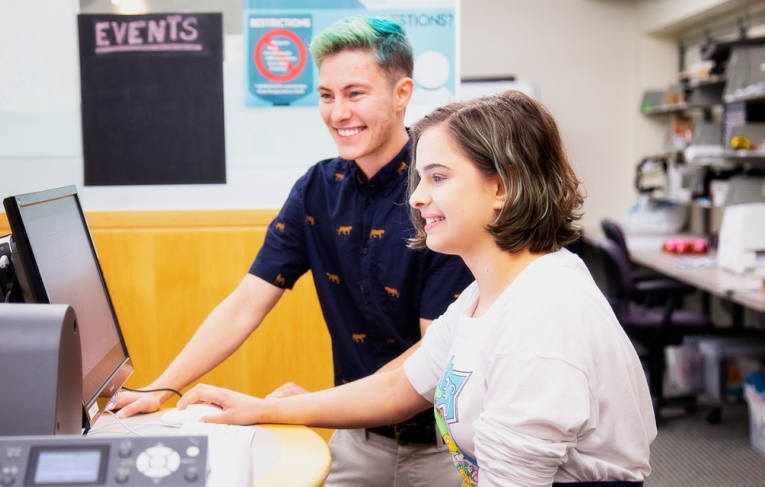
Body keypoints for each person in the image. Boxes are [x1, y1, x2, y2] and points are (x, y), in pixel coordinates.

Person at [180, 91, 658, 487]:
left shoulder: (543, 314)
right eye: (418, 177)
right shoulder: (483, 296)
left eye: (438, 177)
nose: (416, 197)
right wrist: (263, 409)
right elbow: (399, 385)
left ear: (503, 188)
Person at [115, 16, 474, 487]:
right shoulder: (316, 189)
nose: (338, 112)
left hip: (445, 445)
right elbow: (246, 304)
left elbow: (428, 360)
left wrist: (285, 408)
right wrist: (163, 385)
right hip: (356, 437)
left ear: (402, 93)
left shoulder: (437, 194)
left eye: (356, 93)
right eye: (327, 96)